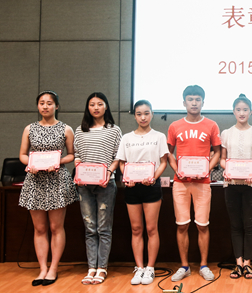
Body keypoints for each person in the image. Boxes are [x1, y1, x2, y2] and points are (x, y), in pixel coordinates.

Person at [18, 91, 78, 286]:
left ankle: (53, 268)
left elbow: (72, 155)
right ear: (38, 106)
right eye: (42, 103)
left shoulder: (66, 129)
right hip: (35, 181)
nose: (45, 106)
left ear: (56, 106)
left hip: (57, 181)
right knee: (40, 228)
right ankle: (42, 268)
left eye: (49, 103)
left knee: (55, 227)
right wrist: (30, 164)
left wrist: (58, 162)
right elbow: (23, 155)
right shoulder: (29, 129)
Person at [167, 85, 221, 282]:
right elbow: (169, 154)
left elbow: (218, 152)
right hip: (180, 183)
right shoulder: (174, 126)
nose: (194, 103)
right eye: (190, 99)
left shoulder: (211, 125)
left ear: (203, 102)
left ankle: (204, 265)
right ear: (184, 102)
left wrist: (207, 169)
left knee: (202, 225)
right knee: (182, 225)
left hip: (203, 182)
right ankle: (184, 266)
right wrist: (177, 170)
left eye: (198, 99)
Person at [116, 100, 168, 285]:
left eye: (146, 113)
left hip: (151, 186)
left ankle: (150, 268)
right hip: (132, 187)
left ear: (152, 114)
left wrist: (154, 177)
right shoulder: (126, 138)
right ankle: (139, 268)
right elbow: (122, 162)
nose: (143, 117)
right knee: (136, 229)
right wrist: (126, 177)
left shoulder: (159, 136)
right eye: (139, 114)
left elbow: (164, 162)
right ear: (135, 116)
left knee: (151, 229)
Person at [74, 92, 122, 285]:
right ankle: (91, 268)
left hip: (106, 185)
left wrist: (108, 172)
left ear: (106, 106)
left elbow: (118, 156)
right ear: (88, 107)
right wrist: (79, 170)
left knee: (103, 228)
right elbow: (77, 155)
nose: (96, 107)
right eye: (92, 104)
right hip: (84, 186)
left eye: (100, 104)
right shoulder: (80, 130)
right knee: (89, 228)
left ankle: (102, 268)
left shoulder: (114, 130)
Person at [220, 94, 252, 280]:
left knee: (249, 225)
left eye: (245, 109)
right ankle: (238, 263)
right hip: (231, 184)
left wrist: (251, 172)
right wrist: (228, 170)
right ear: (233, 111)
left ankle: (248, 263)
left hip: (251, 184)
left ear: (251, 112)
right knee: (235, 225)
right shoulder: (226, 133)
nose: (242, 113)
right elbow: (222, 159)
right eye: (238, 109)